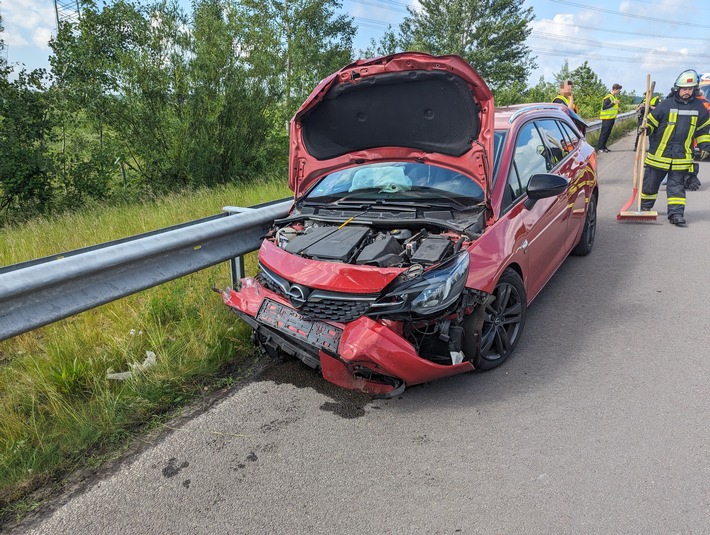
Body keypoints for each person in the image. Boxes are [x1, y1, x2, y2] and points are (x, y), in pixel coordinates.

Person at [640, 69, 710, 226]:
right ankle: (645, 208)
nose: (687, 92)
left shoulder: (700, 108)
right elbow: (651, 122)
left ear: (694, 89)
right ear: (677, 89)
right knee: (650, 184)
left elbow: (703, 131)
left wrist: (705, 146)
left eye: (690, 89)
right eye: (684, 89)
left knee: (676, 188)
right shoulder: (665, 105)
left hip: (681, 157)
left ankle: (676, 214)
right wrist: (645, 128)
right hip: (659, 155)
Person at [596, 83, 622, 153]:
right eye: (619, 90)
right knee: (604, 133)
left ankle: (604, 147)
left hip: (611, 118)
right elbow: (604, 107)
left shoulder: (613, 97)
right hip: (606, 118)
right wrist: (613, 103)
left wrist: (615, 103)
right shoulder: (608, 97)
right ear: (615, 89)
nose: (619, 92)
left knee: (607, 133)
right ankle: (600, 148)